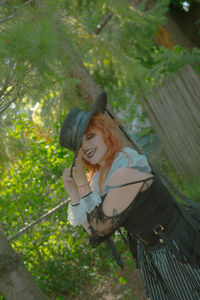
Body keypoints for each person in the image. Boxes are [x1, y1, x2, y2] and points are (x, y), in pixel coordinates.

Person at [59, 91, 200, 300]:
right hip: (153, 254)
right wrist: (73, 190)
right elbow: (91, 229)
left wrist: (80, 183)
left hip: (177, 247)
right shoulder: (99, 179)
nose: (86, 147)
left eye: (90, 136)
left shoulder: (125, 169)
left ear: (105, 132)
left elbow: (99, 228)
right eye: (79, 146)